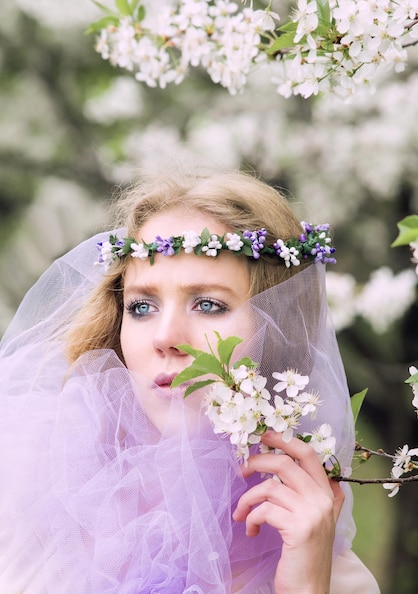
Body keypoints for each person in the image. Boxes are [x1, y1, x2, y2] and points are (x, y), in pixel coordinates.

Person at [0, 167, 380, 593]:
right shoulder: (26, 502)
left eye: (208, 304)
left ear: (282, 327)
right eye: (142, 307)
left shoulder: (329, 575)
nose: (165, 338)